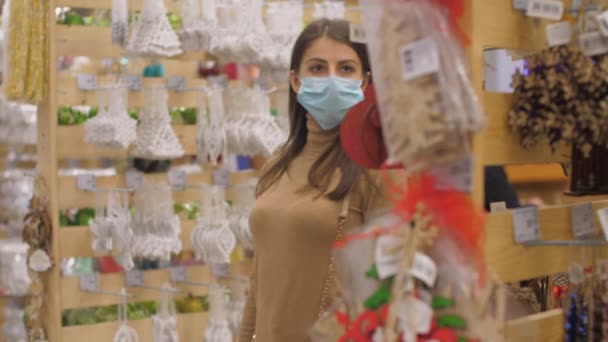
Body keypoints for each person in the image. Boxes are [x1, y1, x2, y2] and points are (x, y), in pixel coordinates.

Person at [238, 19, 391, 342]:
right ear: (296, 80)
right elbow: (260, 276)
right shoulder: (276, 166)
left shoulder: (375, 171)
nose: (332, 79)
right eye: (318, 68)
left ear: (365, 83)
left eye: (346, 68)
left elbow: (391, 288)